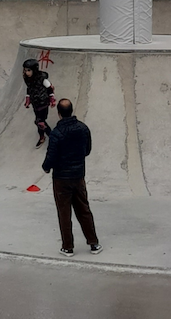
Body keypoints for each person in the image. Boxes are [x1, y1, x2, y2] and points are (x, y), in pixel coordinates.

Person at [42, 98, 100, 257]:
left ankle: (68, 247)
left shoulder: (56, 133)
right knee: (84, 209)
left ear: (59, 113)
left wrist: (46, 167)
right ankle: (94, 243)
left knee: (64, 212)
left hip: (61, 179)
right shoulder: (83, 128)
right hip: (78, 176)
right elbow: (87, 150)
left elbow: (51, 156)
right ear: (72, 111)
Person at [22, 58, 55, 148]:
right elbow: (29, 89)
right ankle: (42, 137)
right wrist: (28, 99)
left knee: (40, 122)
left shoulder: (42, 79)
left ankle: (53, 138)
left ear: (34, 70)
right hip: (35, 104)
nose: (26, 73)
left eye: (29, 70)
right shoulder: (28, 79)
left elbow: (50, 88)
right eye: (25, 70)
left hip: (43, 103)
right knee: (39, 121)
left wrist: (52, 98)